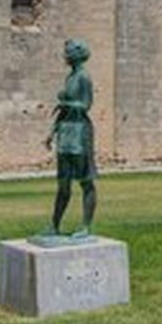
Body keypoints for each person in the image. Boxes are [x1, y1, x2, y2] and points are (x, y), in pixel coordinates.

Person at [42, 39, 97, 239]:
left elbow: (86, 105)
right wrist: (52, 132)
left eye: (68, 52)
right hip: (66, 132)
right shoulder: (70, 77)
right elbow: (63, 112)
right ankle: (54, 225)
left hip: (80, 132)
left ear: (78, 54)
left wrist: (65, 102)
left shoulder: (84, 77)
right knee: (63, 183)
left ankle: (85, 226)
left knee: (86, 181)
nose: (65, 55)